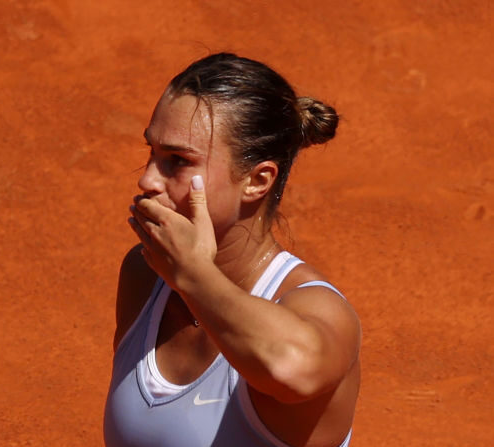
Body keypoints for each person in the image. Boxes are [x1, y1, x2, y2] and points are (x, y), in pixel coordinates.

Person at [104, 53, 361, 447]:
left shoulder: (316, 308)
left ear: (257, 181)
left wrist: (195, 276)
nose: (147, 180)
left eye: (177, 161)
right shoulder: (146, 276)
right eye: (151, 154)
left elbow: (291, 369)